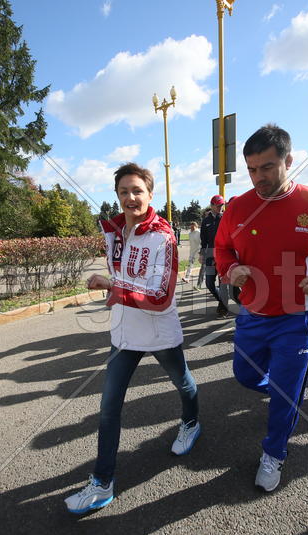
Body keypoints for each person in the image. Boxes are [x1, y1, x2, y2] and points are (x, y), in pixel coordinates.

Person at [215, 124, 308, 491]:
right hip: (253, 311)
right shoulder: (237, 207)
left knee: (284, 392)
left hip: (299, 315)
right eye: (251, 169)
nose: (258, 177)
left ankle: (275, 452)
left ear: (289, 161)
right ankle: (288, 387)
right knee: (245, 376)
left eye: (266, 167)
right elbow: (222, 249)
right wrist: (230, 268)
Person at [65, 163, 200, 514]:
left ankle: (191, 423)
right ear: (117, 196)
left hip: (159, 331)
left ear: (150, 195)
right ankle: (102, 483)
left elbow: (161, 297)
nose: (130, 197)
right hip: (123, 334)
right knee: (109, 408)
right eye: (124, 191)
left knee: (183, 384)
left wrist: (115, 286)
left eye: (137, 190)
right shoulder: (114, 233)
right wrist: (116, 293)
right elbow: (125, 278)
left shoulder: (164, 237)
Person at [200, 195, 229, 317]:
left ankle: (223, 306)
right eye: (218, 205)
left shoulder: (226, 218)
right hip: (210, 256)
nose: (220, 208)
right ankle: (221, 302)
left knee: (223, 285)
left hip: (223, 255)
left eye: (222, 205)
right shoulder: (206, 221)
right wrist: (202, 254)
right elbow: (204, 240)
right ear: (212, 206)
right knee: (209, 283)